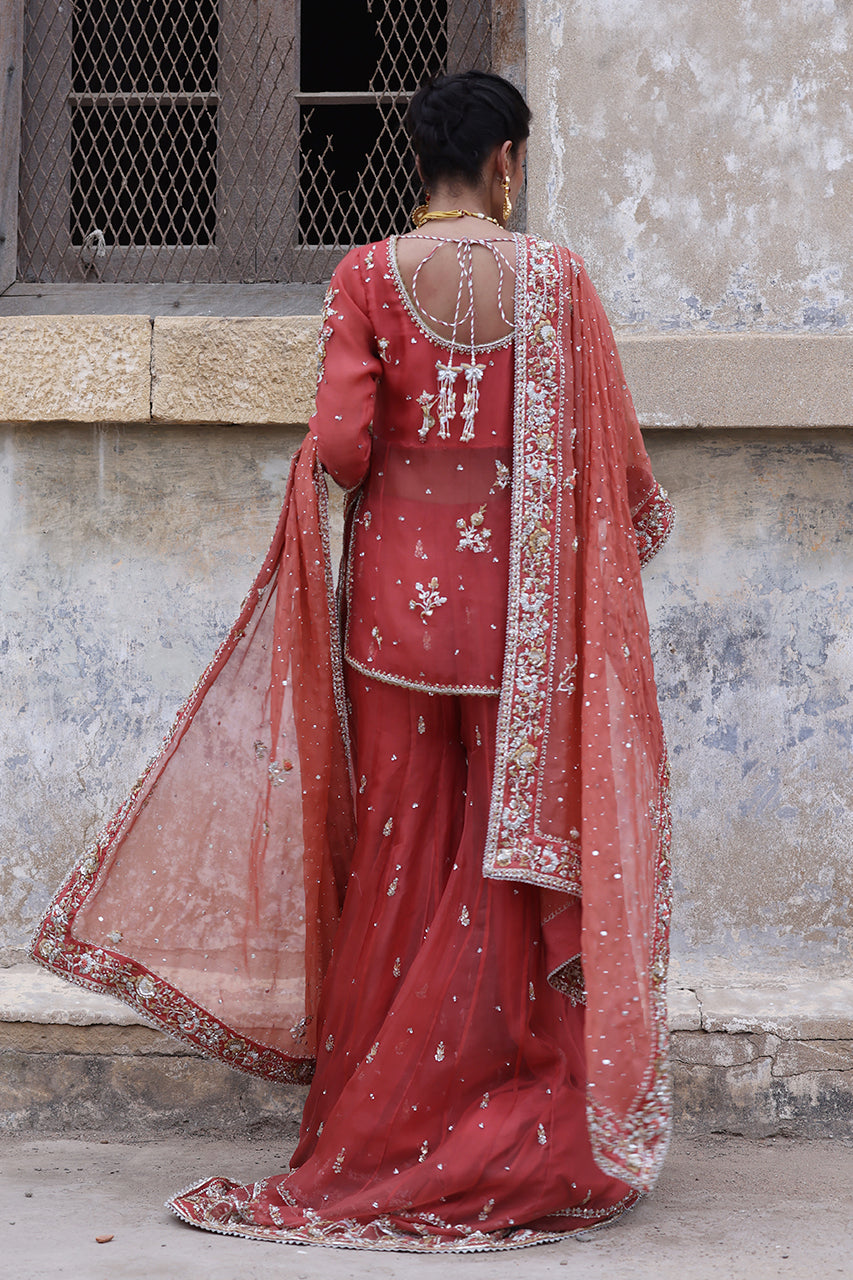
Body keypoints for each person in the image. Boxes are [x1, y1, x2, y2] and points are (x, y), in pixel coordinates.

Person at [31, 71, 675, 1252]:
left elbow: (338, 447)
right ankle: (518, 1114)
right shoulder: (558, 281)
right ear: (507, 165)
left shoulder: (366, 277)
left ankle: (383, 1120)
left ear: (417, 164)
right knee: (506, 847)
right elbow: (617, 470)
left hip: (394, 617)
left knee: (398, 851)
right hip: (519, 622)